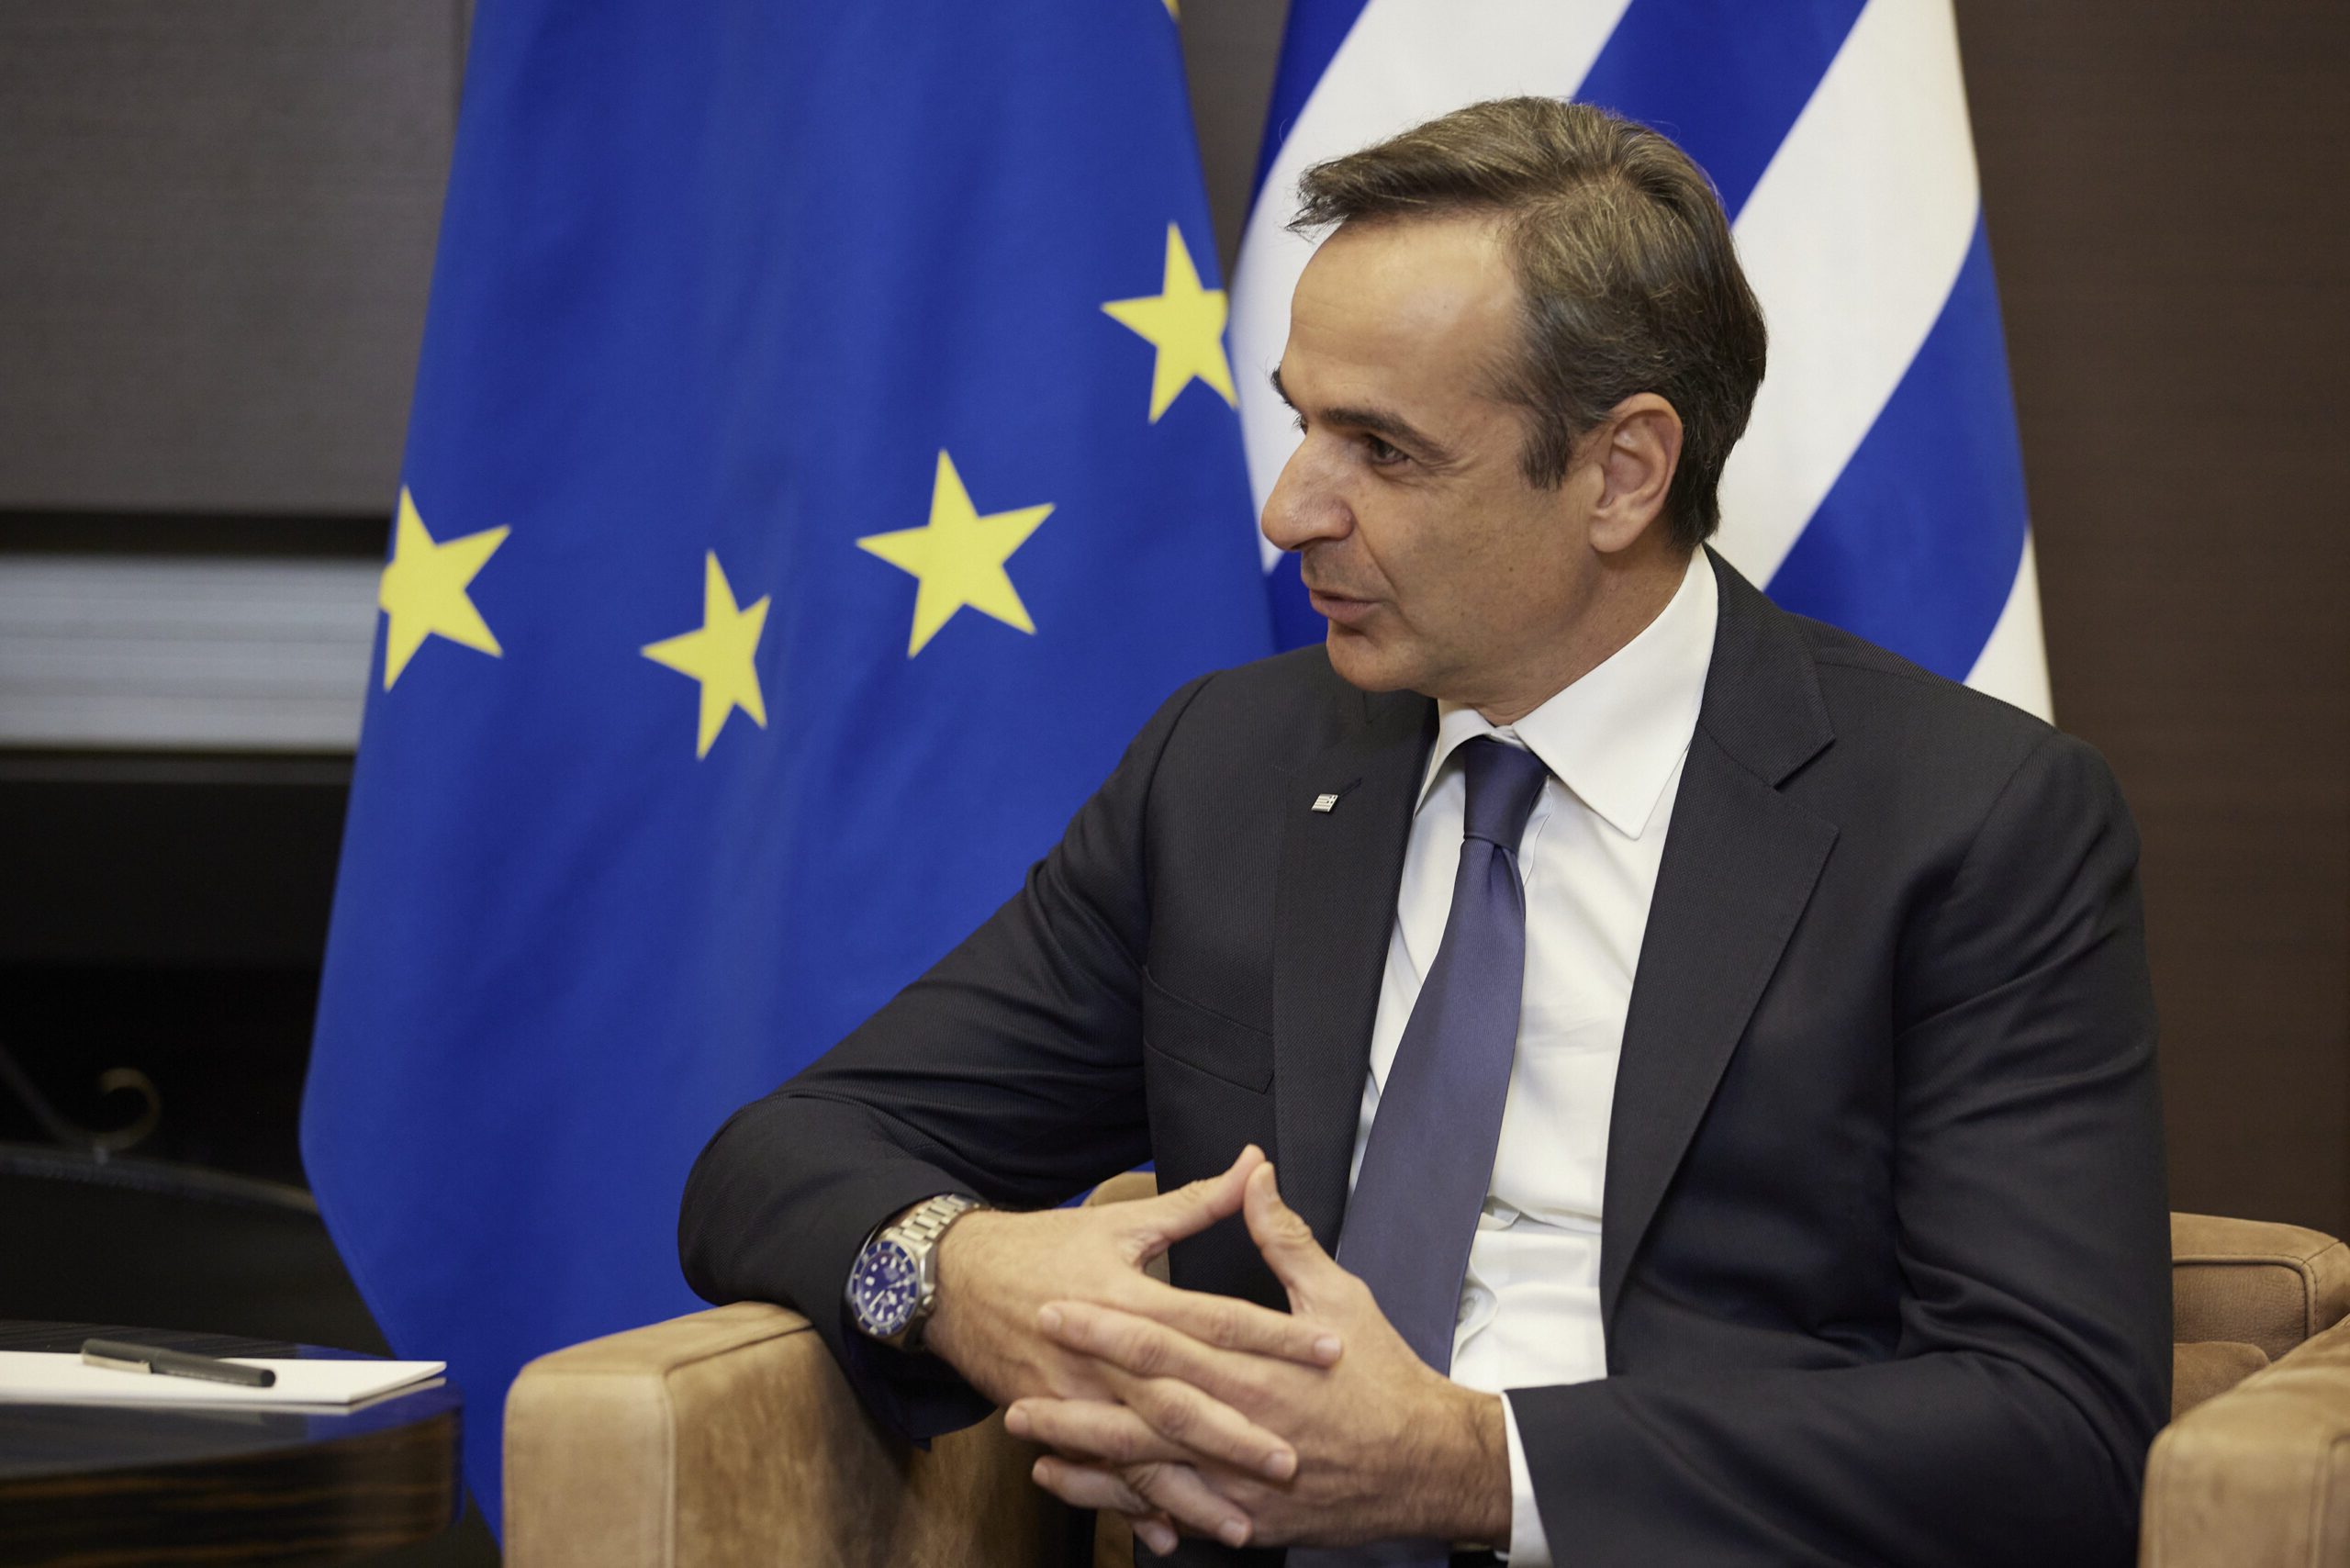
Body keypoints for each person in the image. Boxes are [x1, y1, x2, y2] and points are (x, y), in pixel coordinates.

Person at [679, 97, 2169, 1566]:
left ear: (1622, 472)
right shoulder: (1230, 772)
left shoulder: (1966, 822)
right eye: (1301, 423)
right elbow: (778, 1155)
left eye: (1382, 451)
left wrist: (1466, 1466)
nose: (1289, 510)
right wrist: (954, 1269)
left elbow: (2056, 1433)